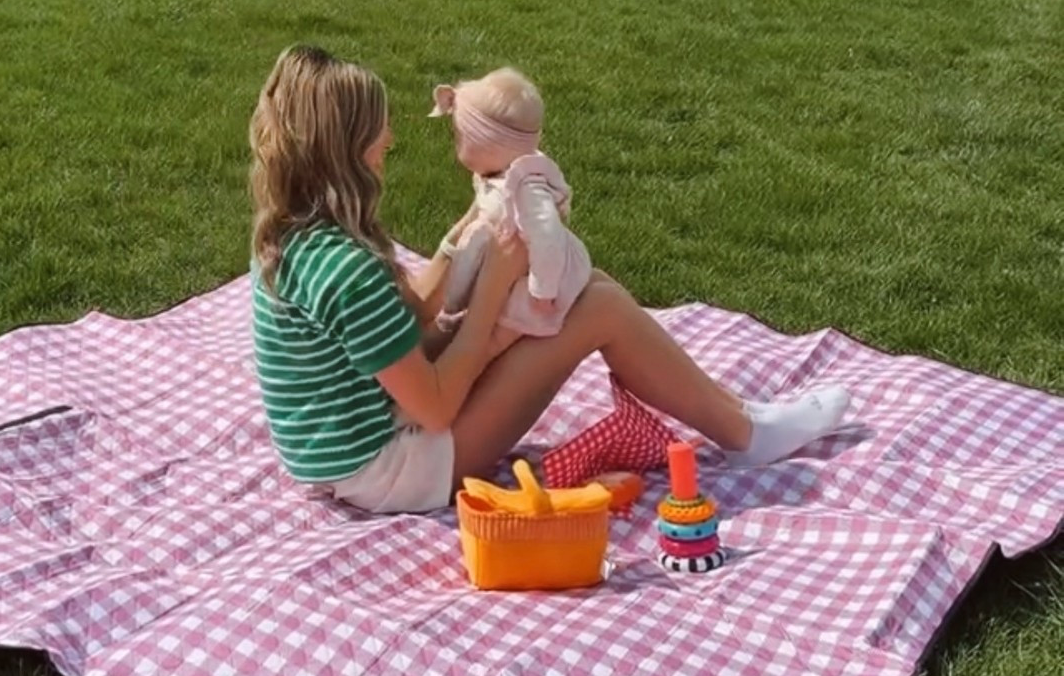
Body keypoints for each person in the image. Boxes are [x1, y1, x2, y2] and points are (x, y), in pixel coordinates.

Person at [249, 44, 850, 516]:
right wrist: (490, 296)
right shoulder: (347, 270)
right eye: (378, 131)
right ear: (344, 148)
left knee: (592, 289)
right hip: (395, 469)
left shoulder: (298, 236)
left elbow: (411, 316)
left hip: (355, 445)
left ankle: (739, 416)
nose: (391, 139)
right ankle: (746, 435)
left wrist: (463, 239)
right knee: (597, 311)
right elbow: (433, 408)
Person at [428, 67, 590, 347]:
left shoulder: (527, 190)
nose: (456, 145)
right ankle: (456, 319)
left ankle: (477, 353)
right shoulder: (496, 173)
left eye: (460, 138)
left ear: (487, 144)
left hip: (535, 279)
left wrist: (542, 293)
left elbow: (548, 239)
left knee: (497, 336)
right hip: (503, 262)